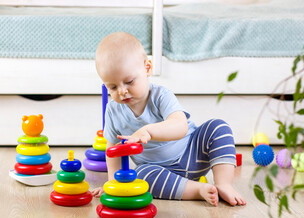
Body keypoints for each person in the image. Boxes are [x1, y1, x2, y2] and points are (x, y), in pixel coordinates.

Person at [91, 32, 246, 206]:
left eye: (129, 81)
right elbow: (113, 149)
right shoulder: (113, 111)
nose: (121, 91)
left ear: (147, 68)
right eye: (112, 87)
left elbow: (180, 126)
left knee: (218, 127)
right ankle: (196, 190)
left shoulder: (160, 96)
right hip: (158, 170)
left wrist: (149, 131)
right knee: (141, 175)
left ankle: (223, 184)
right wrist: (113, 182)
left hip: (192, 153)